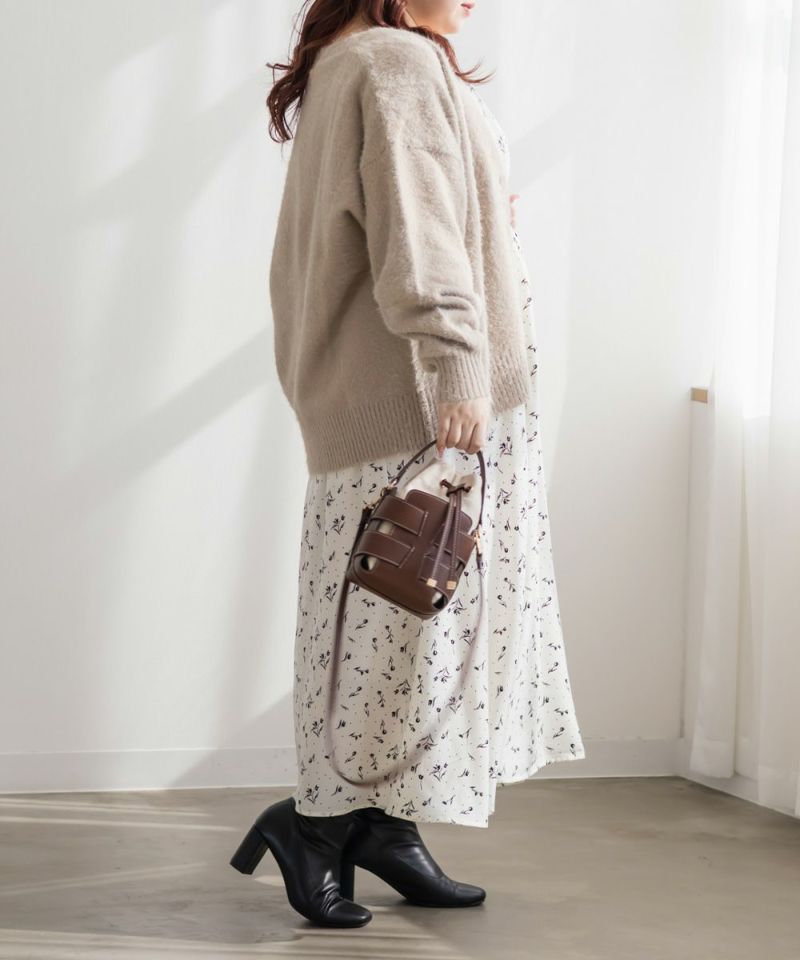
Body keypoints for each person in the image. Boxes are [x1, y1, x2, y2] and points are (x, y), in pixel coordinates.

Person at [229, 0, 585, 929]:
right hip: (423, 398)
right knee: (395, 626)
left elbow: (413, 214)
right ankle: (317, 824)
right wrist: (457, 361)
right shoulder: (393, 61)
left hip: (389, 394)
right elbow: (416, 235)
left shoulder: (351, 62)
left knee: (398, 627)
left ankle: (382, 823)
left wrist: (486, 211)